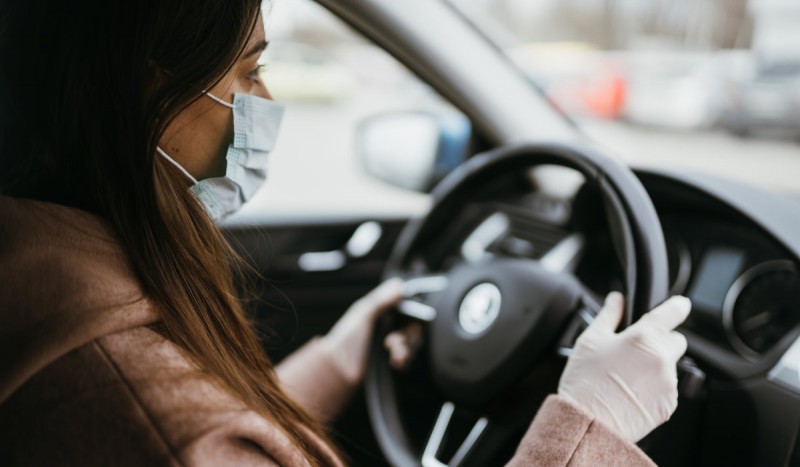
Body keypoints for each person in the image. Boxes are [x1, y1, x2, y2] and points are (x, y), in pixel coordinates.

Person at [0, 1, 692, 465]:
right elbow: (194, 431)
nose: (265, 101)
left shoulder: (47, 287)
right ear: (149, 92)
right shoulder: (175, 431)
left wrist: (336, 358)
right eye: (251, 70)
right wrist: (590, 422)